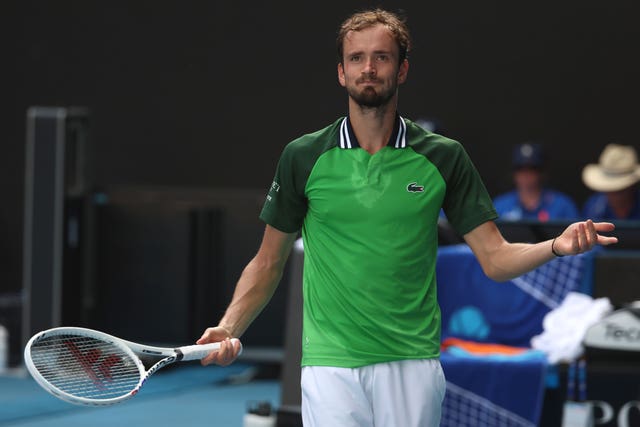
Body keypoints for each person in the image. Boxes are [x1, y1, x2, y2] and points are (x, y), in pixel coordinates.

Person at [196, 9, 617, 427]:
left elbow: (496, 258)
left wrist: (556, 247)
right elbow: (268, 261)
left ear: (402, 69)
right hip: (330, 366)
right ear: (341, 73)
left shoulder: (443, 156)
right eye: (356, 58)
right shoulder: (303, 157)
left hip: (413, 365)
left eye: (381, 57)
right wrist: (229, 325)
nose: (369, 68)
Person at [493, 143, 579, 221]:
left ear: (542, 173)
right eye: (520, 168)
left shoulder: (563, 205)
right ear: (514, 173)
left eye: (532, 169)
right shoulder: (499, 205)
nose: (526, 174)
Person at [582, 143, 640, 221]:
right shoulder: (593, 206)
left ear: (631, 186)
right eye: (609, 190)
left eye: (620, 191)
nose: (614, 196)